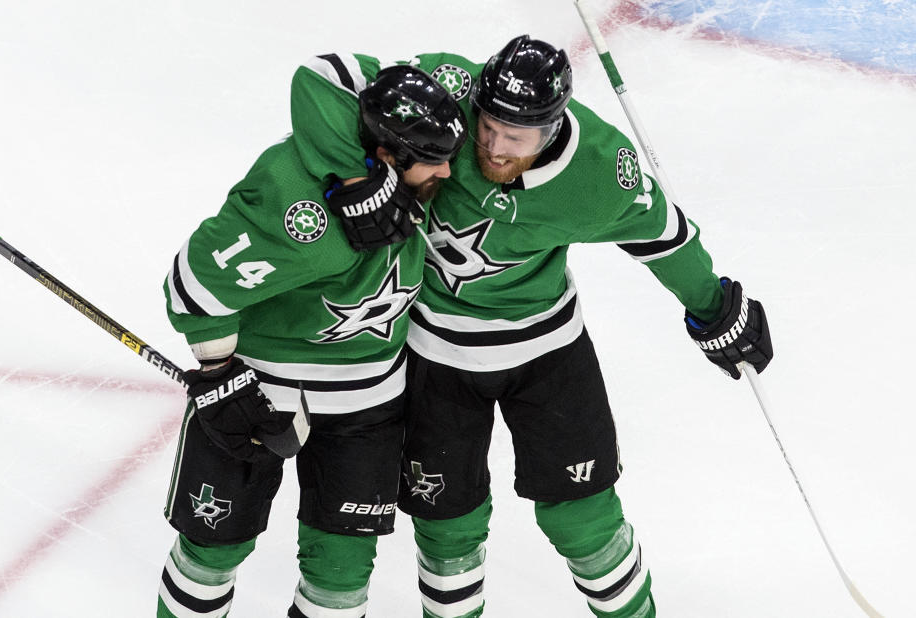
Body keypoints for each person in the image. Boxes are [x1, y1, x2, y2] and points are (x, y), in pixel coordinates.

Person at [290, 36, 773, 618]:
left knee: (584, 520)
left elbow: (665, 238)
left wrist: (714, 306)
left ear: (551, 127)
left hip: (549, 355)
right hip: (435, 355)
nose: (491, 147)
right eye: (487, 127)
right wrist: (354, 177)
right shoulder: (452, 85)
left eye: (513, 138)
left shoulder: (601, 171)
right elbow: (323, 74)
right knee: (447, 528)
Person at [156, 63, 467, 618]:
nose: (449, 168)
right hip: (261, 391)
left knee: (341, 577)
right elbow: (194, 285)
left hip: (368, 405)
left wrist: (358, 177)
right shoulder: (307, 219)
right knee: (210, 553)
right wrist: (219, 372)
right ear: (390, 157)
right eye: (432, 158)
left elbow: (333, 72)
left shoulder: (404, 155)